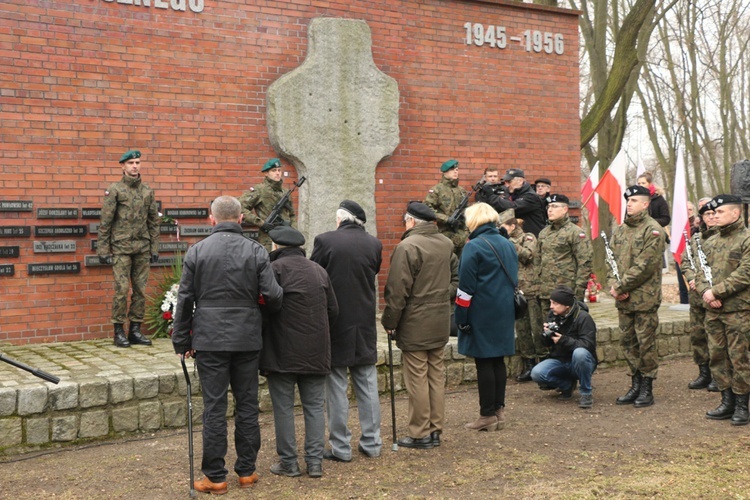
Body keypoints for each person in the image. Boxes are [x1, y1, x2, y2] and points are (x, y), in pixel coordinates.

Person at [171, 195, 283, 495]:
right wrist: (259, 315)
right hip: (246, 337)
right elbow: (273, 294)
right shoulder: (256, 251)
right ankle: (246, 471)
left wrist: (181, 339)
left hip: (208, 339)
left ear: (212, 218)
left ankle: (215, 476)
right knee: (247, 405)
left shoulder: (198, 251)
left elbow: (185, 299)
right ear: (241, 218)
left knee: (214, 407)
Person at [260, 225, 339, 478]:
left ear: (276, 246)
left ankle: (289, 463)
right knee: (315, 407)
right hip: (316, 351)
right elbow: (333, 311)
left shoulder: (274, 270)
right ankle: (315, 463)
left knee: (283, 408)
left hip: (281, 351)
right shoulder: (318, 270)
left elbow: (264, 309)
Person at [310, 200, 384, 462]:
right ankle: (373, 443)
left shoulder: (325, 241)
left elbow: (316, 274)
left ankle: (341, 448)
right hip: (364, 322)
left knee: (336, 387)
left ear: (340, 219)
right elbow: (372, 272)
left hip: (335, 322)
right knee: (367, 383)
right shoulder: (374, 243)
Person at [382, 202, 458, 449]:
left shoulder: (408, 246)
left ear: (411, 221)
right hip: (439, 319)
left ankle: (420, 432)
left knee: (417, 378)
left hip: (415, 321)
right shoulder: (446, 243)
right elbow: (456, 279)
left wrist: (390, 322)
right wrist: (441, 295)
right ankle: (435, 430)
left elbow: (396, 291)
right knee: (435, 375)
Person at [454, 202, 517, 431]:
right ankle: (498, 409)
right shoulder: (507, 243)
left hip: (481, 311)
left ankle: (486, 414)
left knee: (484, 362)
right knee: (498, 360)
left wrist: (461, 317)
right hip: (504, 309)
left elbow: (465, 288)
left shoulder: (474, 246)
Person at [607, 185, 665, 408]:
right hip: (624, 298)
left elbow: (645, 265)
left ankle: (647, 387)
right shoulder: (621, 230)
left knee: (645, 343)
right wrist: (616, 284)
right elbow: (610, 259)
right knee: (628, 342)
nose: (629, 204)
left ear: (646, 204)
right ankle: (635, 383)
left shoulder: (653, 230)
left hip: (644, 298)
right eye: (628, 200)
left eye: (634, 200)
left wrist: (621, 286)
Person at [696, 195, 750, 426]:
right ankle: (726, 400)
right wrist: (705, 292)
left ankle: (741, 405)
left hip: (738, 310)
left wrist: (717, 291)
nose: (714, 216)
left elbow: (746, 272)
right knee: (717, 357)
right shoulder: (710, 240)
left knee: (739, 358)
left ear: (735, 213)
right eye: (713, 213)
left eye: (719, 213)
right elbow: (699, 270)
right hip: (713, 310)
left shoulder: (746, 239)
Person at [98, 149, 160, 348]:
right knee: (121, 290)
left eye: (138, 162)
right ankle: (118, 331)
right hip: (121, 248)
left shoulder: (147, 191)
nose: (135, 166)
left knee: (140, 290)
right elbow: (106, 221)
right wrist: (103, 249)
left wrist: (155, 247)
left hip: (142, 247)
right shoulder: (115, 190)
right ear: (123, 166)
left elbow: (153, 222)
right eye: (131, 162)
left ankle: (135, 330)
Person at [534, 194, 593, 380]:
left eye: (555, 206)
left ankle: (575, 372)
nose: (550, 210)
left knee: (569, 335)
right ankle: (555, 372)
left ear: (565, 209)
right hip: (545, 293)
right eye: (548, 206)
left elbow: (585, 262)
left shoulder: (575, 232)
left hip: (566, 296)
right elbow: (537, 261)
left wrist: (577, 292)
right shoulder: (544, 233)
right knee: (548, 332)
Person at [530, 285, 598, 408]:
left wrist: (563, 340)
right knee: (537, 373)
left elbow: (588, 345)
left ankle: (586, 392)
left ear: (567, 305)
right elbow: (546, 345)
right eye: (551, 302)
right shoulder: (553, 315)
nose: (551, 306)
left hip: (581, 362)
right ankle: (566, 385)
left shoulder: (583, 318)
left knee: (580, 353)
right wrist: (546, 335)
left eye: (555, 303)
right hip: (560, 360)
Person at [499, 210, 545, 382]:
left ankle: (544, 361)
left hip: (531, 290)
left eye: (503, 227)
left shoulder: (528, 237)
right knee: (522, 329)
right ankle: (529, 364)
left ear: (512, 226)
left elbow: (528, 256)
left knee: (536, 327)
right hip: (514, 290)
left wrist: (508, 240)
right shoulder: (504, 241)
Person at [681, 198, 718, 390]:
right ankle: (704, 372)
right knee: (698, 335)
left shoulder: (722, 238)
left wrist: (703, 282)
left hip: (713, 296)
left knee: (715, 337)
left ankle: (718, 375)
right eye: (707, 214)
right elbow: (685, 261)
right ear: (701, 217)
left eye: (714, 214)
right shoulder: (696, 239)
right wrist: (692, 277)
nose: (711, 217)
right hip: (696, 296)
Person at [239, 158, 297, 253]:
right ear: (266, 173)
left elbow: (292, 214)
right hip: (269, 239)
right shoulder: (259, 190)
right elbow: (241, 208)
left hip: (287, 239)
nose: (277, 173)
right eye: (274, 171)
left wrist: (294, 232)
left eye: (279, 170)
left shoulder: (285, 192)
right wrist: (261, 223)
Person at [477, 168, 546, 237]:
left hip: (532, 238)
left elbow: (512, 208)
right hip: (518, 237)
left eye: (509, 182)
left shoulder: (531, 196)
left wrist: (491, 196)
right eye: (505, 182)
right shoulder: (512, 193)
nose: (506, 185)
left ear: (520, 181)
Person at [424, 159, 469, 257]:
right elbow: (427, 209)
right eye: (452, 169)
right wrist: (446, 219)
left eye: (457, 169)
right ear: (445, 172)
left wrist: (466, 231)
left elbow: (466, 210)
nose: (455, 172)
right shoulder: (437, 190)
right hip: (444, 234)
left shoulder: (461, 191)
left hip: (461, 235)